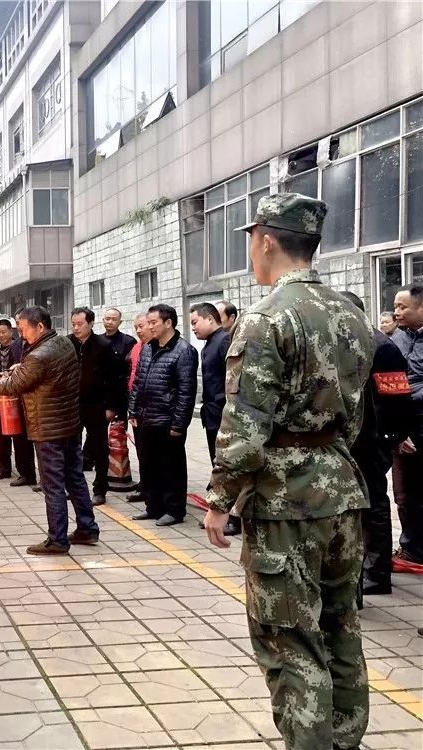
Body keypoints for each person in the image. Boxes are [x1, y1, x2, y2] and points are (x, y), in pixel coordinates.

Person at [203, 193, 375, 750]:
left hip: (286, 502)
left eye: (252, 239)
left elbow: (245, 424)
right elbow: (354, 417)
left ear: (268, 239)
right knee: (340, 629)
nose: (252, 251)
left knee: (290, 644)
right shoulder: (351, 312)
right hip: (343, 491)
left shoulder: (265, 318)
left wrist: (220, 498)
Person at [0, 306, 101, 555]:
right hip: (69, 424)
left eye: (23, 329)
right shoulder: (63, 343)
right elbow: (41, 374)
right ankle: (87, 528)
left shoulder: (39, 354)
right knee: (74, 478)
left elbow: (13, 386)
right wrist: (21, 369)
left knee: (53, 484)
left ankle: (57, 539)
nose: (21, 335)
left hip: (48, 428)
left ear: (40, 327)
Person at [340, 291, 412, 598]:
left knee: (374, 506)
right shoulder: (346, 344)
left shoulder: (382, 347)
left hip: (372, 440)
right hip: (349, 440)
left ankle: (377, 573)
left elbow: (397, 399)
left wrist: (392, 438)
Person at [128, 304, 198, 526]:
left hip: (168, 421)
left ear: (168, 323)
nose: (149, 327)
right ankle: (153, 506)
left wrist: (179, 424)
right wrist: (133, 410)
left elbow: (186, 392)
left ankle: (175, 510)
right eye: (147, 323)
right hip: (146, 418)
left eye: (153, 323)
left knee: (171, 468)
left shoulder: (184, 351)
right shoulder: (148, 348)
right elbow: (138, 383)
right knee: (148, 465)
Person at [190, 302, 238, 536]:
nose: (194, 328)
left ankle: (232, 518)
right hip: (211, 414)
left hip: (223, 415)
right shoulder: (210, 344)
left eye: (195, 322)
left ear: (210, 319)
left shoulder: (224, 342)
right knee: (216, 464)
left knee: (226, 466)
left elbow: (231, 381)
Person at [67, 307, 120, 505]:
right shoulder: (68, 343)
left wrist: (111, 407)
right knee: (72, 448)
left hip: (96, 405)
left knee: (99, 448)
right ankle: (74, 488)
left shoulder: (103, 346)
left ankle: (100, 489)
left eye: (80, 324)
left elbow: (114, 380)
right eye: (73, 324)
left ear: (91, 323)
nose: (76, 328)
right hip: (72, 405)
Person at [391, 285, 423, 565]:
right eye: (395, 307)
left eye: (403, 307)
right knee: (403, 494)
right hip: (403, 427)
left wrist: (403, 389)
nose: (397, 312)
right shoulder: (398, 338)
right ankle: (411, 549)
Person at [0, 318, 38, 486]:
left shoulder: (20, 347)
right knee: (0, 435)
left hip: (18, 398)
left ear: (11, 332)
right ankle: (4, 468)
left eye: (4, 332)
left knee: (21, 437)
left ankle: (26, 473)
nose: (1, 335)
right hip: (0, 397)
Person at [101, 307, 137, 490]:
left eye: (113, 319)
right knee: (99, 436)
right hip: (100, 396)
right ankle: (100, 466)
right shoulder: (97, 341)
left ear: (120, 322)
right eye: (107, 318)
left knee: (118, 435)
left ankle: (119, 470)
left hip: (120, 396)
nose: (109, 322)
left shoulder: (128, 342)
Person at [126, 313, 152, 504]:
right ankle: (146, 485)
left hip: (153, 410)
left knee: (152, 454)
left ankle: (153, 489)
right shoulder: (137, 347)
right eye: (136, 327)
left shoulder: (155, 348)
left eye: (142, 326)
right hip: (137, 407)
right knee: (142, 451)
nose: (139, 330)